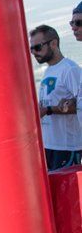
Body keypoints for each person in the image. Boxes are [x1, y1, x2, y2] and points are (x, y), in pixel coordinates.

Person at [30, 25, 82, 170]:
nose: (34, 52)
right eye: (32, 49)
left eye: (38, 47)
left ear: (53, 43)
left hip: (67, 146)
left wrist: (48, 110)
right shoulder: (48, 71)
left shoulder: (70, 70)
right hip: (49, 145)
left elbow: (79, 105)